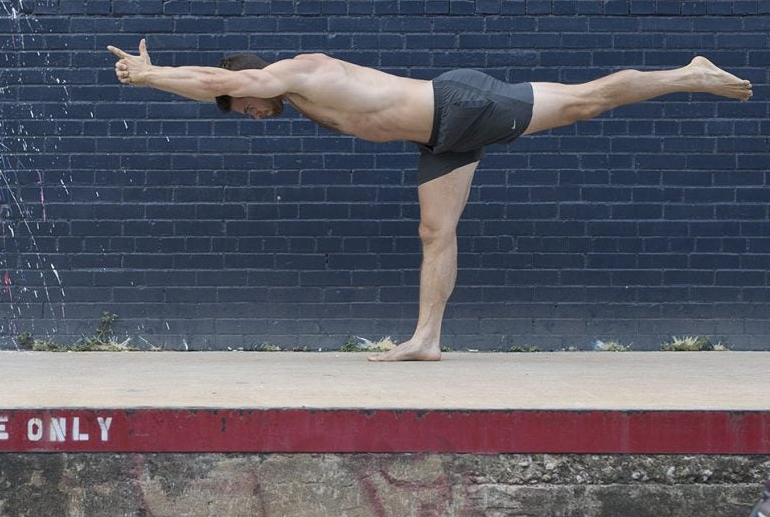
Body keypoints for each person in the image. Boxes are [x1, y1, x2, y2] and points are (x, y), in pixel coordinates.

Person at [106, 39, 752, 361]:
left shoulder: (294, 72)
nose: (248, 114)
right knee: (434, 232)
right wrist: (160, 80)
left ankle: (688, 74)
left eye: (241, 105)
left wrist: (151, 75)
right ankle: (427, 338)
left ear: (250, 81)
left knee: (586, 101)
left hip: (460, 106)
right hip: (442, 136)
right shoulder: (290, 93)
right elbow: (212, 84)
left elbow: (215, 80)